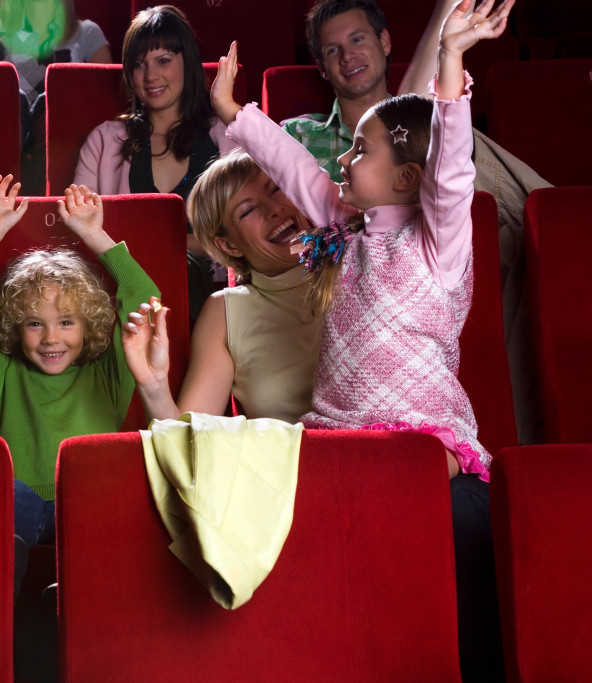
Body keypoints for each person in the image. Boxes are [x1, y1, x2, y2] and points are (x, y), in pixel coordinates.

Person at [210, 0, 510, 676]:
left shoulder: (438, 245)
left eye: (360, 152)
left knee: (463, 603)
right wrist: (235, 114)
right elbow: (294, 167)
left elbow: (452, 174)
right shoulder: (344, 235)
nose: (342, 158)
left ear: (405, 178)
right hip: (338, 449)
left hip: (425, 454)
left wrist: (453, 62)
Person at [284, 0, 550, 441]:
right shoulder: (300, 134)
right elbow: (296, 185)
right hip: (366, 262)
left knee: (511, 207)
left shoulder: (437, 146)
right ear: (322, 67)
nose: (348, 56)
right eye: (333, 50)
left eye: (357, 39)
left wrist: (450, 55)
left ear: (385, 42)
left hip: (442, 242)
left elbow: (445, 173)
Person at [0, 175, 159, 595]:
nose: (51, 338)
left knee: (97, 496)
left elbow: (143, 297)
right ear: (15, 328)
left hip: (81, 498)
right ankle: (4, 585)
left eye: (66, 322)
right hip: (13, 500)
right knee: (9, 495)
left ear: (88, 324)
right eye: (34, 324)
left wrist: (95, 235)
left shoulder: (109, 373)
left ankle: (77, 585)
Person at [122, 151, 322, 425]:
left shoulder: (363, 259)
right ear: (229, 246)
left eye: (275, 189)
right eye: (248, 210)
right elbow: (190, 440)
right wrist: (153, 385)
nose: (274, 208)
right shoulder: (224, 311)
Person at [73, 5, 238, 326]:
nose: (150, 76)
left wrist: (174, 249)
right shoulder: (103, 140)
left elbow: (247, 235)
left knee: (186, 272)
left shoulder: (227, 136)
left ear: (186, 63)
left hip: (211, 302)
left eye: (163, 60)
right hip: (123, 291)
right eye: (139, 64)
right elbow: (81, 230)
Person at [0, 0, 111, 110]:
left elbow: (107, 97)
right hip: (8, 131)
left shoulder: (87, 32)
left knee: (48, 104)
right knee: (17, 101)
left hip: (63, 131)